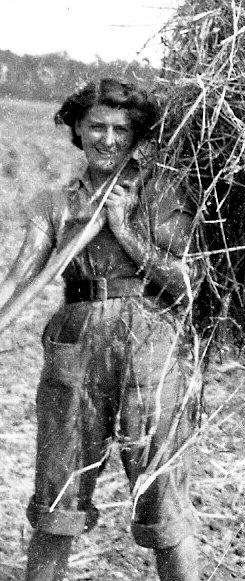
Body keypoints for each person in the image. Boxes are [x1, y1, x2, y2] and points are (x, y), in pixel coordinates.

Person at [0, 78, 201, 581]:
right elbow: (22, 274)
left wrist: (125, 232)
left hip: (151, 347)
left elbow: (185, 285)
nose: (108, 139)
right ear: (76, 130)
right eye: (96, 126)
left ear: (138, 137)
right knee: (57, 494)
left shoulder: (161, 195)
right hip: (74, 345)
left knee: (162, 495)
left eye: (121, 129)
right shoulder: (58, 201)